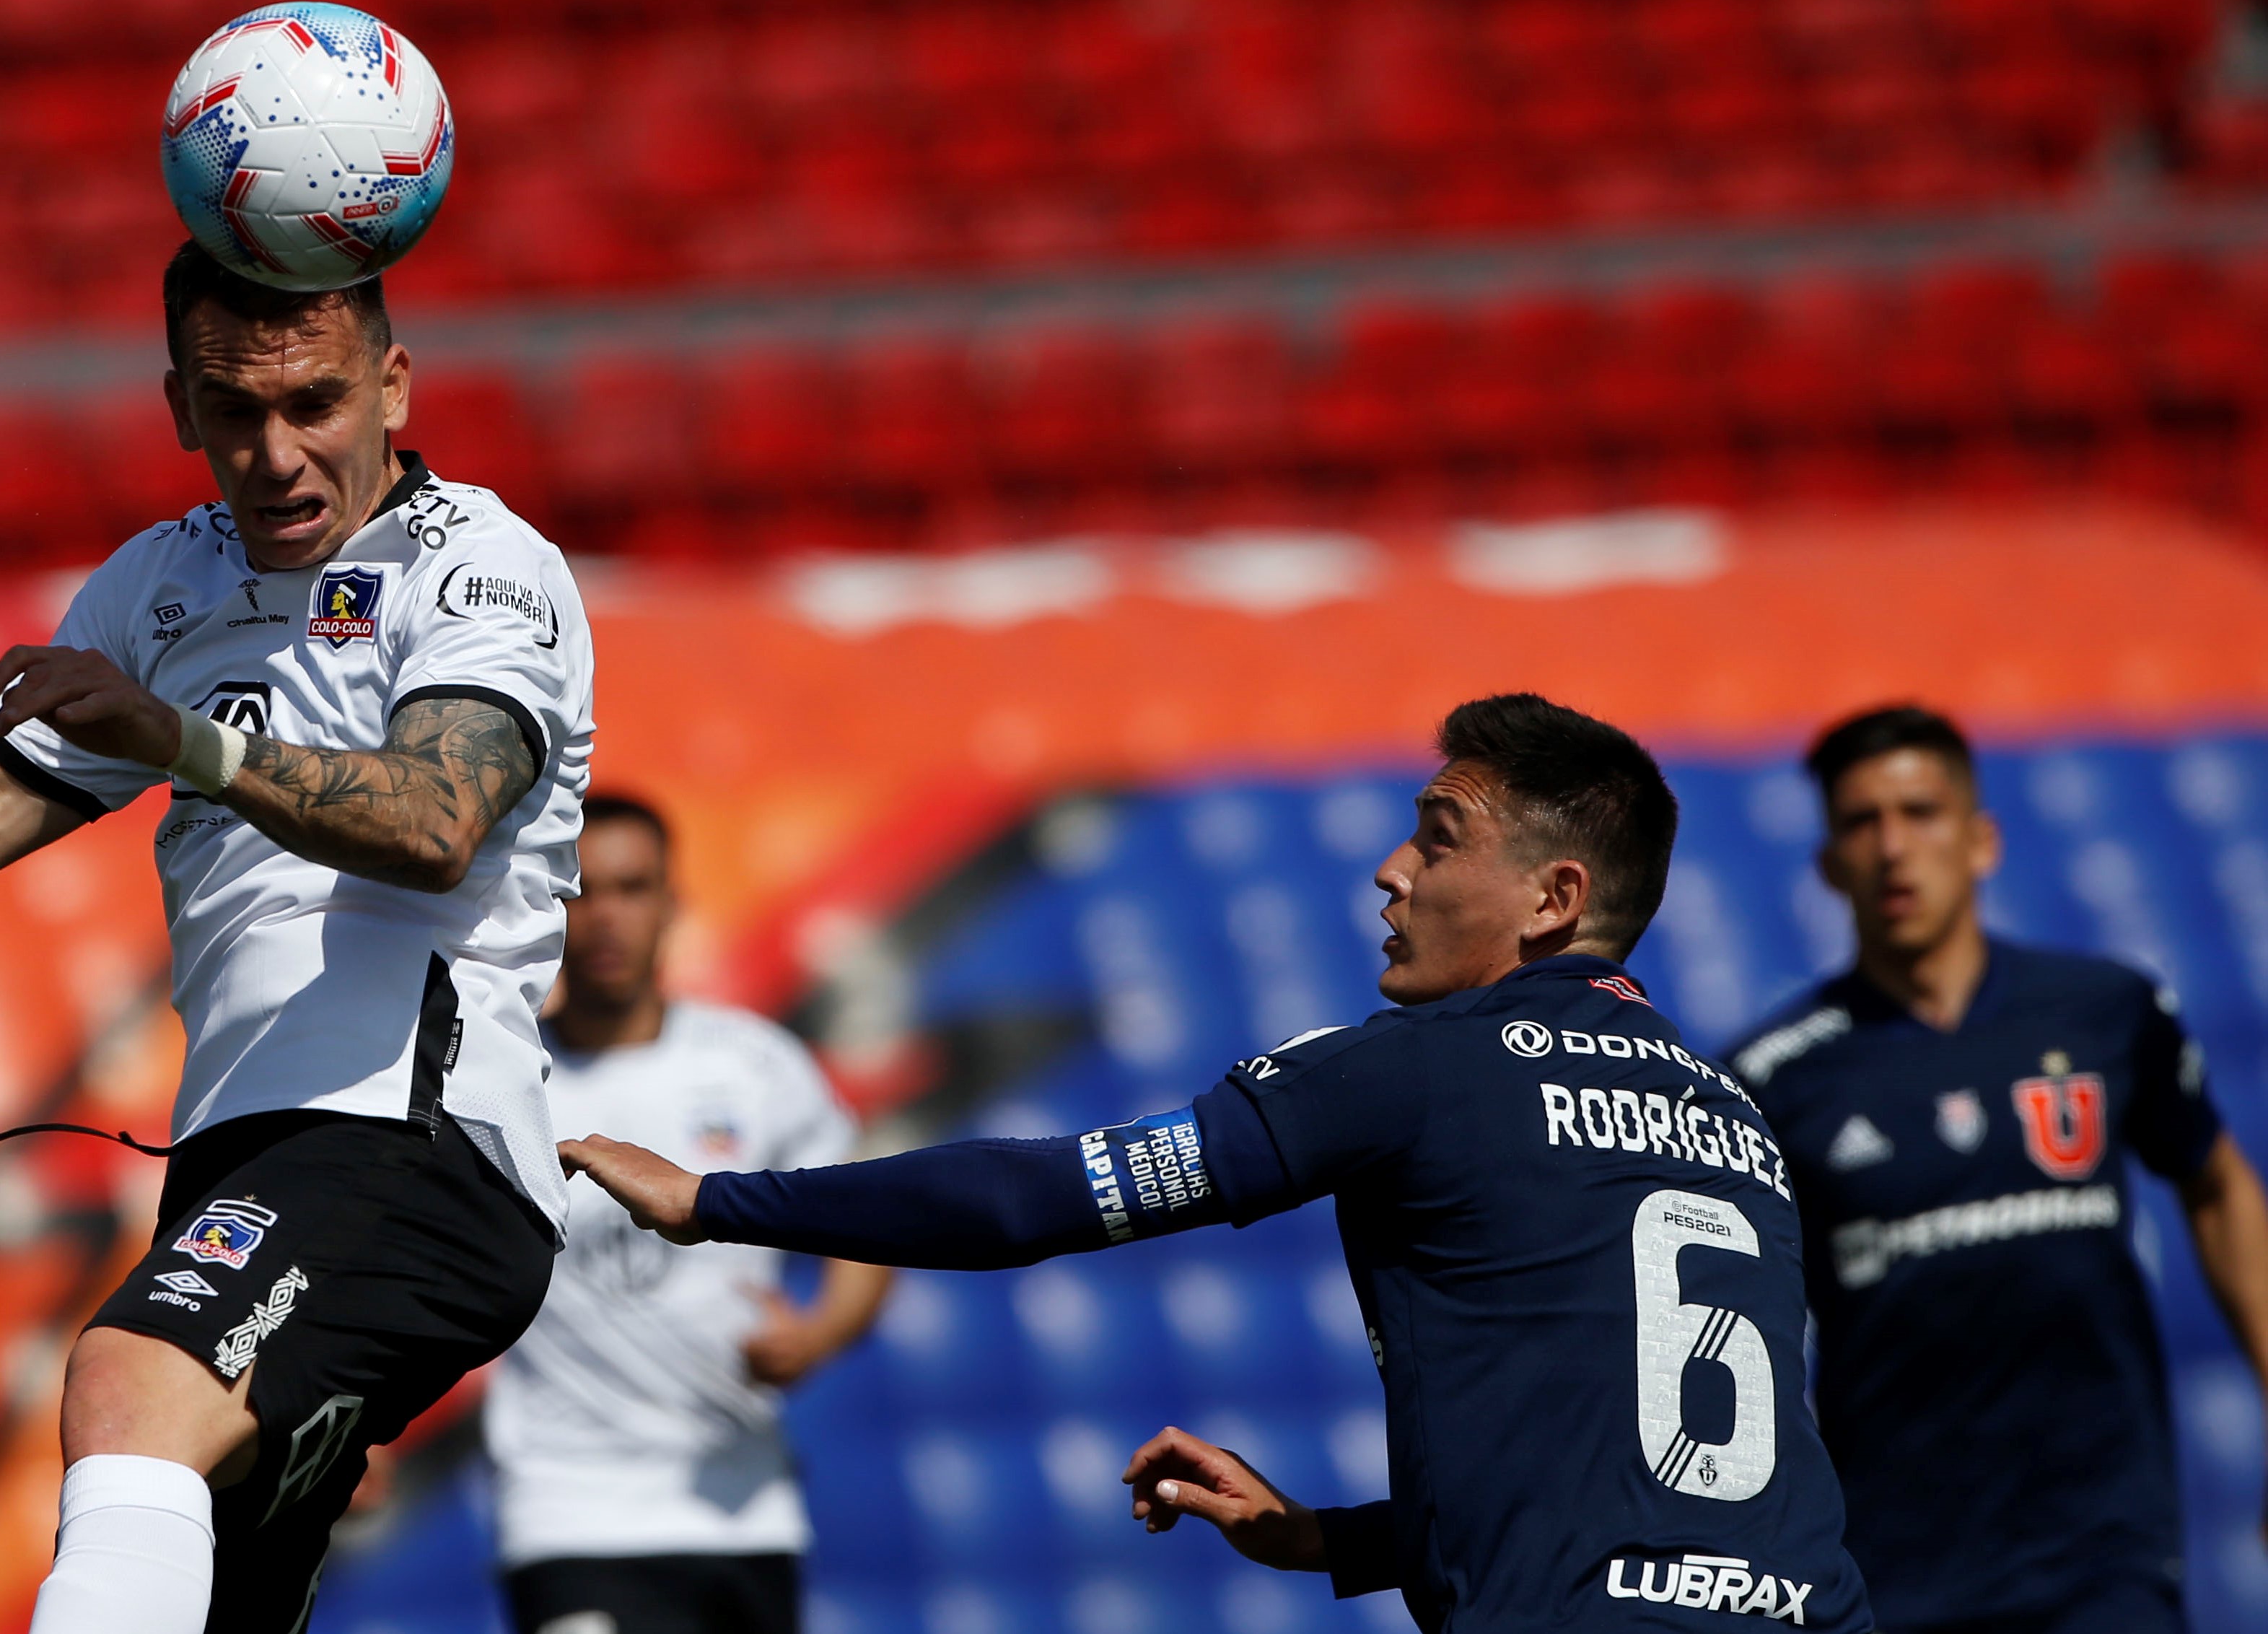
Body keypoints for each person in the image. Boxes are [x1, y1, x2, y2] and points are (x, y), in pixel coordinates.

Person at [566, 695, 1875, 1632]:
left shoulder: (1425, 1065)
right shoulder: (1731, 1119)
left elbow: (1046, 1198)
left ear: (1551, 899)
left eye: (1436, 834)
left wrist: (712, 1202)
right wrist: (1330, 1543)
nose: (1390, 868)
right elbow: (1648, 1475)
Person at [0, 240, 595, 1634]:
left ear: (392, 388)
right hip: (243, 1155)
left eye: (312, 404)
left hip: (412, 1138)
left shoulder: (485, 568)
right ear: (182, 408)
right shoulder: (159, 588)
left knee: (126, 1380)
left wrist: (177, 743)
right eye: (232, 412)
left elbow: (438, 819)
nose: (273, 453)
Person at [1725, 706, 2268, 1634]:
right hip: (1895, 1566)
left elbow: (2217, 1186)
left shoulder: (2106, 1009)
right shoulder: (1774, 1076)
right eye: (1862, 821)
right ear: (1827, 864)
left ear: (1982, 840)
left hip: (2105, 1548)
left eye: (1921, 810)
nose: (1895, 846)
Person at [483, 793, 892, 1634]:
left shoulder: (754, 1064)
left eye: (634, 887)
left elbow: (866, 1221)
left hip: (742, 1505)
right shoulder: (500, 1079)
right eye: (582, 888)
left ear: (674, 903)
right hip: (568, 1509)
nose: (607, 917)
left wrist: (819, 1334)